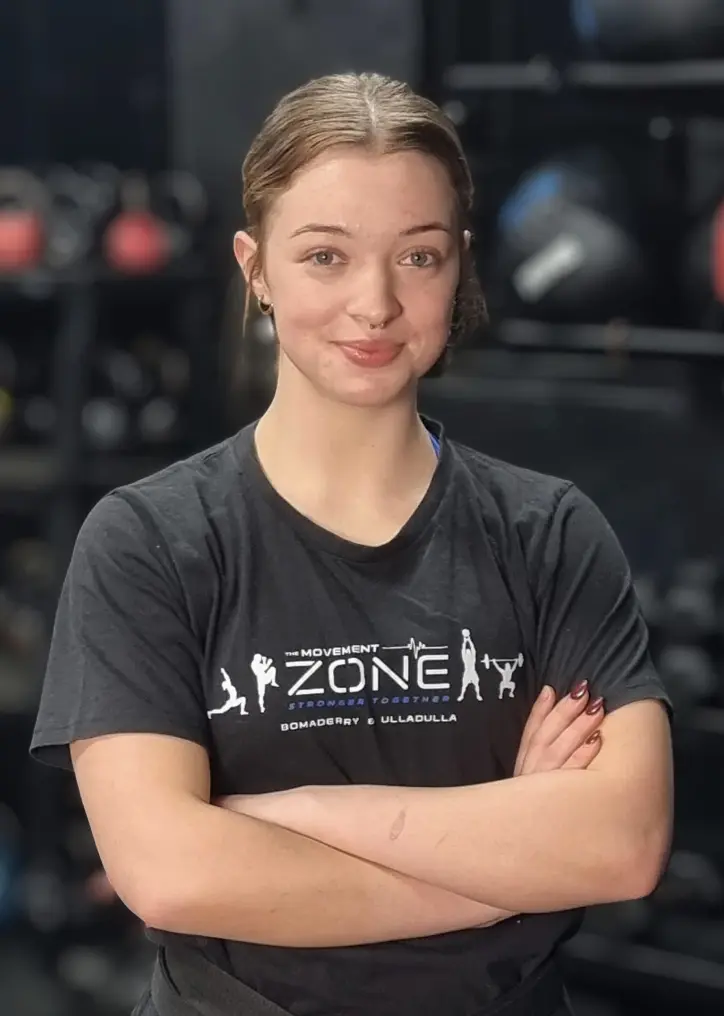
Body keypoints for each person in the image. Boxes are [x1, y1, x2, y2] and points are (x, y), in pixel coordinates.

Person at [29, 72, 673, 1016]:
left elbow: (622, 845)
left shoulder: (549, 532)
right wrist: (507, 874)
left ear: (459, 267)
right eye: (326, 256)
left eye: (417, 256)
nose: (375, 303)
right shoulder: (149, 542)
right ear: (255, 267)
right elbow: (170, 874)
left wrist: (301, 819)